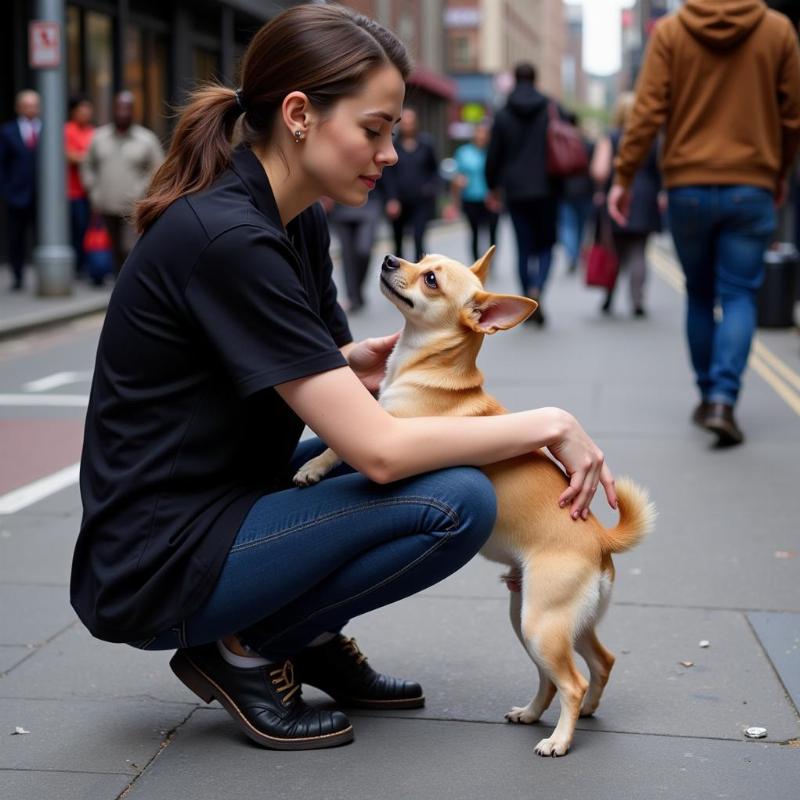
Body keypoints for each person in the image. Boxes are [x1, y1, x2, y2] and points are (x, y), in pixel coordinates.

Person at [70, 4, 615, 753]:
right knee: (457, 499)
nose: (390, 152)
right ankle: (249, 646)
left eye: (391, 130)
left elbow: (330, 377)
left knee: (440, 478)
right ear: (299, 115)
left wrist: (353, 359)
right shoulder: (228, 237)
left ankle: (307, 632)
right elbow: (379, 451)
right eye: (375, 128)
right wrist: (551, 421)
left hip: (227, 495)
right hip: (158, 558)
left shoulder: (297, 221)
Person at [609, 0, 800, 446]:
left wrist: (624, 176)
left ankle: (707, 393)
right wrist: (778, 172)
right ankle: (723, 397)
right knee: (738, 294)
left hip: (688, 188)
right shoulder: (778, 31)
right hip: (751, 185)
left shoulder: (672, 32)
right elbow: (793, 116)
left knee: (699, 294)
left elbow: (647, 112)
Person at [486, 62, 560, 326]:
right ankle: (538, 288)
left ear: (515, 80)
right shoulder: (550, 108)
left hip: (515, 190)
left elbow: (494, 155)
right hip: (548, 188)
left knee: (523, 247)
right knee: (547, 245)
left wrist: (492, 186)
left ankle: (528, 296)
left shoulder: (504, 112)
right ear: (535, 78)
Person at [591, 93, 661, 317]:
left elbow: (600, 171)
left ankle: (609, 297)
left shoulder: (611, 137)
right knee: (640, 251)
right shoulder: (652, 137)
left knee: (614, 250)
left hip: (618, 195)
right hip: (647, 198)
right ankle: (637, 301)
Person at [81, 91, 164, 273]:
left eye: (127, 108)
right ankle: (117, 285)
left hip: (133, 207)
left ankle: (129, 283)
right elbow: (87, 165)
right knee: (112, 249)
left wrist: (144, 191)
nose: (123, 112)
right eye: (119, 107)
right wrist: (93, 191)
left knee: (130, 249)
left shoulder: (146, 139)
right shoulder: (99, 137)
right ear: (113, 110)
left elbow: (158, 170)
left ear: (133, 111)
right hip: (105, 206)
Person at [381, 107, 439, 261]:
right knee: (398, 241)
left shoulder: (426, 144)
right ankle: (399, 278)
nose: (408, 125)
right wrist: (391, 199)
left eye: (411, 122)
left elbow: (434, 171)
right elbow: (387, 175)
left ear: (416, 123)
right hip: (399, 201)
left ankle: (419, 277)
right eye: (404, 122)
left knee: (419, 239)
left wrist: (430, 188)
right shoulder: (393, 145)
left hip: (421, 201)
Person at [0, 90, 40, 291]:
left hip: (42, 197)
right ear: (19, 108)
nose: (31, 109)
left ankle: (42, 275)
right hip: (17, 195)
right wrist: (6, 190)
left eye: (34, 105)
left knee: (42, 237)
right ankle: (17, 276)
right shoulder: (8, 131)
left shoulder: (49, 129)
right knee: (16, 237)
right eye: (27, 105)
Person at [327, 191, 382, 313]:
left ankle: (357, 289)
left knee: (364, 250)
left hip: (369, 203)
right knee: (347, 255)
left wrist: (392, 197)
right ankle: (353, 297)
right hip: (341, 206)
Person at [452, 122, 499, 262]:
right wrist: (456, 198)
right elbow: (456, 176)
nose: (481, 136)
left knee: (492, 232)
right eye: (479, 132)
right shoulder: (463, 152)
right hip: (471, 199)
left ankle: (490, 261)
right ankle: (476, 262)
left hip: (491, 198)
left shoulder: (494, 152)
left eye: (484, 133)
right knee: (475, 232)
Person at [558, 112, 594, 275]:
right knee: (580, 226)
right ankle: (577, 253)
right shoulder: (588, 143)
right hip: (586, 190)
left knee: (567, 225)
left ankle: (571, 254)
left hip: (565, 190)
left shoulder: (559, 143)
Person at [64, 95, 95, 277]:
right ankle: (77, 267)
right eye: (83, 110)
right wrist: (88, 159)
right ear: (74, 112)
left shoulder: (93, 131)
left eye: (88, 110)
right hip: (72, 191)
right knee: (77, 229)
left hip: (90, 191)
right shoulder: (67, 130)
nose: (86, 114)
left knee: (88, 231)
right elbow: (70, 156)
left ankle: (86, 266)